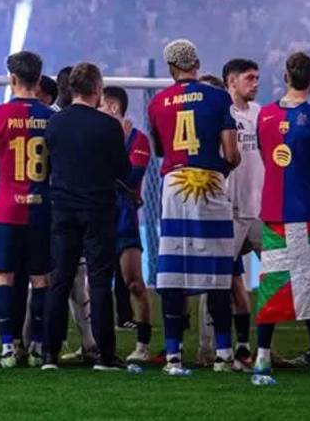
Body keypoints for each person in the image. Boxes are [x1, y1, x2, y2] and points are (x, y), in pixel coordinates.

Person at [146, 39, 240, 375]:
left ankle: (173, 355)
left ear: (171, 68)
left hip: (174, 186)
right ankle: (224, 355)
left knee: (173, 272)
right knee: (218, 272)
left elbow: (160, 149)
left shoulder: (157, 103)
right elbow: (231, 153)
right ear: (197, 63)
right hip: (210, 182)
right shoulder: (218, 97)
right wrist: (219, 171)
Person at [253, 52, 310, 377]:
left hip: (274, 211)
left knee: (271, 283)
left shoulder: (264, 115)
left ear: (285, 76)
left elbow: (267, 159)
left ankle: (262, 357)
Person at [43, 62, 130, 370]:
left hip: (63, 208)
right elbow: (123, 171)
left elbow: (49, 167)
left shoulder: (54, 123)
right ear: (97, 88)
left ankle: (49, 354)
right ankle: (105, 355)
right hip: (98, 209)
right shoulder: (108, 126)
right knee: (99, 281)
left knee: (60, 280)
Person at [0, 51, 54, 367]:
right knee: (40, 278)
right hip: (41, 209)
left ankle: (8, 347)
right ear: (39, 80)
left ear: (12, 79)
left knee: (3, 276)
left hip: (6, 210)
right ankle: (36, 346)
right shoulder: (51, 117)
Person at [102, 84, 153, 363]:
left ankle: (142, 345)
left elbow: (130, 178)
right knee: (95, 285)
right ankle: (93, 344)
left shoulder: (138, 139)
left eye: (100, 105)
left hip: (124, 220)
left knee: (133, 282)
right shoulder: (95, 136)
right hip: (97, 217)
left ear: (112, 107)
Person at [222, 57, 264, 369]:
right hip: (230, 210)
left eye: (257, 78)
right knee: (223, 281)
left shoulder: (262, 114)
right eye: (250, 78)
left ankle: (265, 349)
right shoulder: (220, 114)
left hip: (261, 210)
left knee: (276, 279)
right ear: (231, 81)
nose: (255, 83)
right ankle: (221, 348)